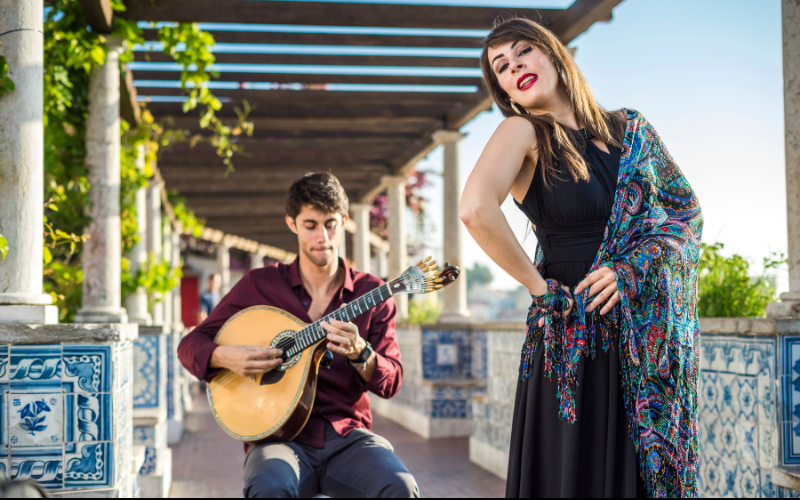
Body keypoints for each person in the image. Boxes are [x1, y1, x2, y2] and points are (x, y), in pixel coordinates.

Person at [460, 18, 703, 498]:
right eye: (501, 67)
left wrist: (630, 271)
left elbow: (686, 215)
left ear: (554, 54)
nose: (515, 67)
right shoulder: (523, 131)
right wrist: (540, 289)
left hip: (642, 337)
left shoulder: (632, 130)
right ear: (503, 90)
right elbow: (474, 209)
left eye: (523, 52)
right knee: (576, 473)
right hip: (575, 329)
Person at [178, 173, 419, 499]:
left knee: (399, 486)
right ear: (292, 224)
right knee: (269, 487)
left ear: (345, 221)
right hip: (277, 439)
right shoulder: (259, 286)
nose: (322, 237)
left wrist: (363, 353)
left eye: (331, 224)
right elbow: (190, 344)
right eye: (310, 225)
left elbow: (391, 383)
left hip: (347, 435)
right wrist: (226, 356)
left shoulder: (372, 293)